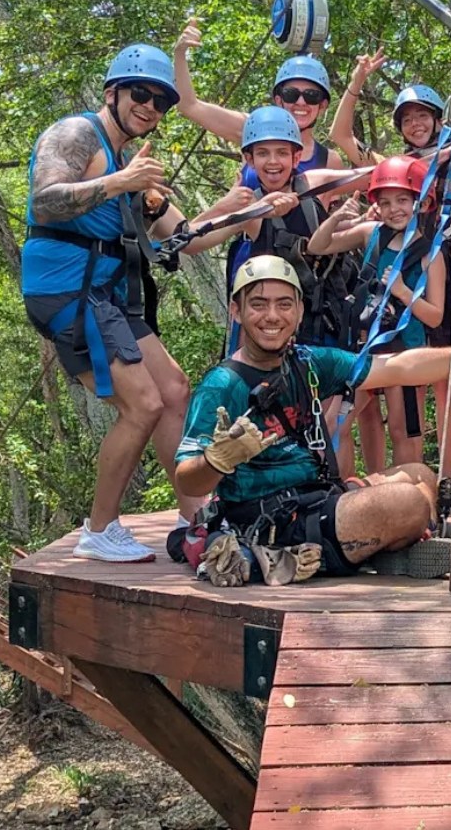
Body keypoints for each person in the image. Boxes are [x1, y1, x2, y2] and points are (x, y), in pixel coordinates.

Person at [22, 43, 280, 562]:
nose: (150, 107)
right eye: (141, 94)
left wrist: (236, 211)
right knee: (142, 404)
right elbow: (44, 201)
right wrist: (123, 182)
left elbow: (185, 236)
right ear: (113, 91)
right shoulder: (76, 135)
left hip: (106, 296)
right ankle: (100, 528)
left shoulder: (131, 166)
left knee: (174, 388)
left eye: (161, 101)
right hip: (67, 289)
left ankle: (197, 516)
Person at [170, 255, 451, 585]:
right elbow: (188, 481)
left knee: (419, 474)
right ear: (236, 311)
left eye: (283, 304)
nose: (272, 316)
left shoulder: (306, 362)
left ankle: (382, 547)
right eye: (258, 305)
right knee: (409, 503)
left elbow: (398, 368)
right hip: (268, 518)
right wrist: (217, 460)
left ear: (299, 310)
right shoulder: (222, 386)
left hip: (313, 500)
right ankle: (282, 554)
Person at [307, 157, 448, 473]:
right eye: (385, 202)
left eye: (402, 200)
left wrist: (401, 291)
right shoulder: (372, 233)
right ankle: (341, 498)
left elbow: (435, 317)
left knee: (403, 432)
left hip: (405, 353)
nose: (394, 209)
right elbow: (318, 247)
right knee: (335, 424)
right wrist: (336, 219)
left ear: (420, 202)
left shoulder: (430, 256)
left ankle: (409, 505)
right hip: (367, 350)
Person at [223, 105, 371, 351]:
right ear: (249, 159)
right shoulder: (251, 209)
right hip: (276, 323)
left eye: (282, 152)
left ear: (296, 157)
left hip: (326, 315)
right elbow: (202, 238)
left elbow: (373, 174)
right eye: (262, 153)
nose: (273, 162)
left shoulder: (313, 184)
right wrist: (228, 207)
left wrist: (441, 154)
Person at [172, 19, 346, 172]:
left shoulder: (329, 160)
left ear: (322, 105)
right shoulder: (252, 127)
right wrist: (180, 54)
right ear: (279, 100)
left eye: (311, 96)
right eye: (291, 94)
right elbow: (189, 106)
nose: (301, 102)